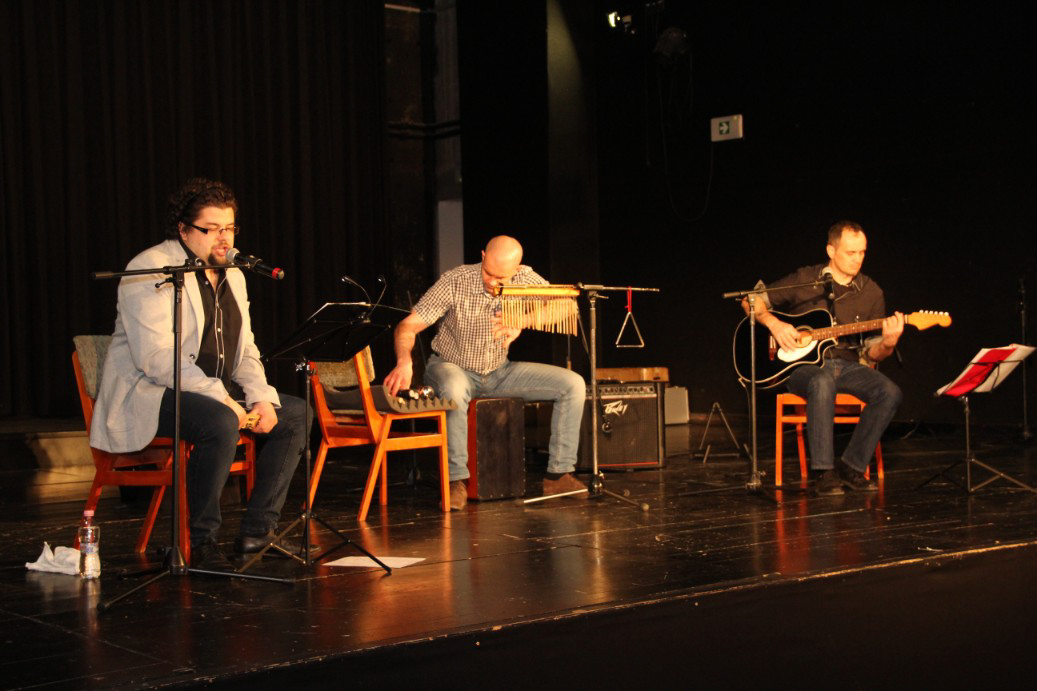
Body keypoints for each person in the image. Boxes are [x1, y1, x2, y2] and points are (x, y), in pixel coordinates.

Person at [90, 178, 310, 569]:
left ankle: (258, 532)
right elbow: (157, 358)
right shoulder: (150, 268)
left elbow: (245, 349)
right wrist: (222, 398)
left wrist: (260, 395)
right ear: (183, 230)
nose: (224, 239)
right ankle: (201, 543)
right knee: (219, 421)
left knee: (295, 415)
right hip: (151, 392)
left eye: (229, 228)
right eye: (211, 229)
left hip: (209, 392)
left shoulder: (234, 274)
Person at [384, 235, 587, 510]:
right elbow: (407, 326)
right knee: (454, 388)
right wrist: (404, 361)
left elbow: (566, 306)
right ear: (482, 256)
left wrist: (524, 320)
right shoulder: (455, 280)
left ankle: (558, 475)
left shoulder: (524, 278)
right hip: (450, 366)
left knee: (573, 384)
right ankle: (456, 481)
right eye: (488, 272)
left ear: (516, 270)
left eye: (500, 278)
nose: (492, 282)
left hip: (498, 372)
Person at [748, 221, 904, 495]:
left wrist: (888, 344)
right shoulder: (806, 279)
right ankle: (823, 471)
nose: (857, 259)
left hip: (847, 365)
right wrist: (775, 325)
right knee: (822, 381)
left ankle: (851, 466)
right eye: (850, 252)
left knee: (890, 392)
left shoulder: (872, 292)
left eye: (862, 252)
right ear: (831, 250)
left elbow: (871, 353)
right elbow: (752, 300)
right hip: (801, 367)